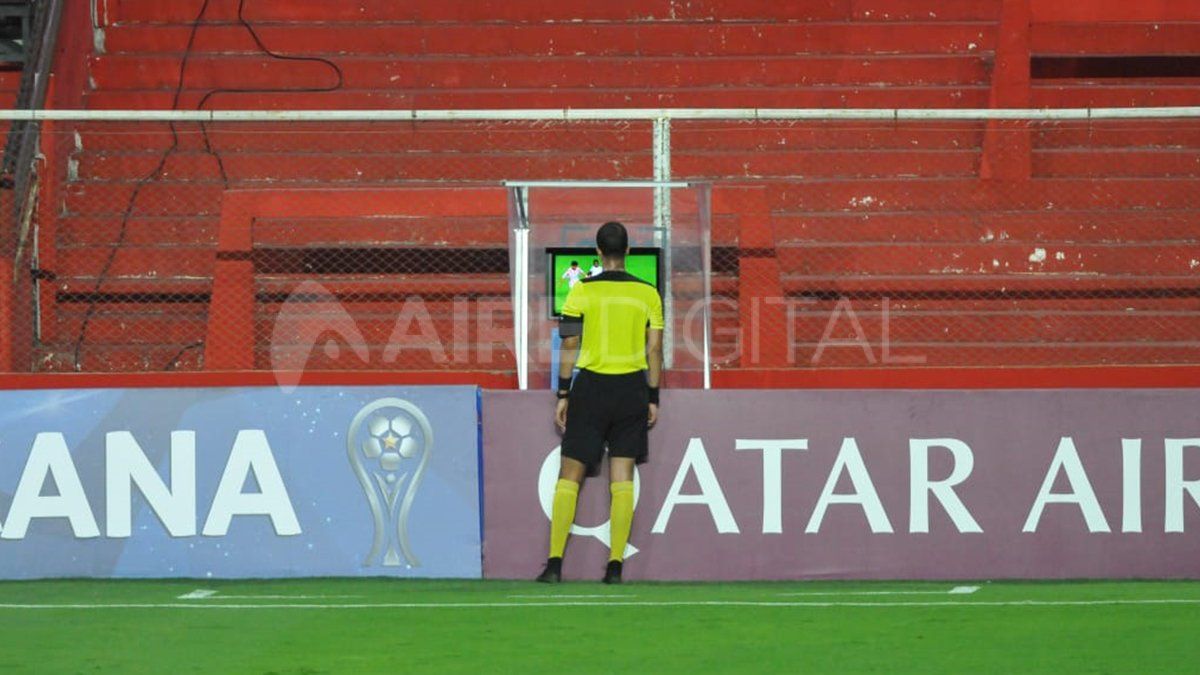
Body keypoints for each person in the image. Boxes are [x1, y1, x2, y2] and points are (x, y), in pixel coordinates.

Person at [537, 221, 664, 585]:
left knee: (570, 474)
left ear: (597, 253)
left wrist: (564, 392)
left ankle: (555, 564)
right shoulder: (648, 294)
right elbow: (654, 349)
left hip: (590, 387)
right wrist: (652, 396)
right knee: (621, 476)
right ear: (628, 252)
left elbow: (570, 345)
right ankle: (615, 566)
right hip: (630, 388)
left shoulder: (579, 292)